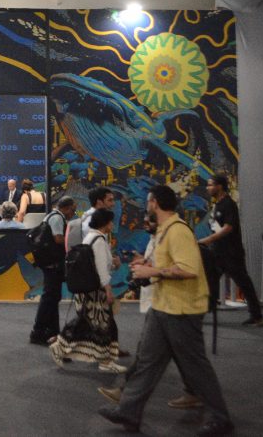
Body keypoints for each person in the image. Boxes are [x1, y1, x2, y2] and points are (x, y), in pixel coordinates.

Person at [99, 184, 233, 436]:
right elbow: (167, 264)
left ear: (155, 203)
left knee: (195, 366)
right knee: (147, 363)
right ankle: (128, 411)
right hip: (163, 306)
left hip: (182, 310)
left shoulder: (178, 231)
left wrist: (151, 271)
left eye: (148, 201)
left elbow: (189, 269)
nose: (146, 205)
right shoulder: (164, 230)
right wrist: (145, 264)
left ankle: (220, 417)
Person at [49, 207, 124, 373]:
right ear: (105, 223)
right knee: (104, 326)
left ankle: (62, 348)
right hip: (97, 292)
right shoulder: (99, 241)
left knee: (89, 325)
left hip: (87, 290)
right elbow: (101, 269)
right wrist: (108, 290)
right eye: (111, 222)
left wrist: (112, 264)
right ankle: (104, 361)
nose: (112, 224)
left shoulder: (90, 237)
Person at [199, 174, 263, 326]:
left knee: (243, 283)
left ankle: (257, 316)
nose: (208, 188)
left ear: (220, 186)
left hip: (231, 253)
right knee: (209, 281)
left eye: (211, 185)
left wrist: (208, 239)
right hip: (217, 252)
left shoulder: (229, 204)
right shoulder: (217, 205)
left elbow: (228, 227)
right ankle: (202, 311)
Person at [30, 196, 76, 346]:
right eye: (73, 210)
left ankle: (52, 331)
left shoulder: (51, 216)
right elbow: (58, 239)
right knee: (49, 297)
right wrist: (73, 243)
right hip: (52, 264)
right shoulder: (57, 218)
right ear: (66, 208)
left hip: (49, 263)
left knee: (53, 297)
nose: (73, 214)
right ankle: (38, 332)